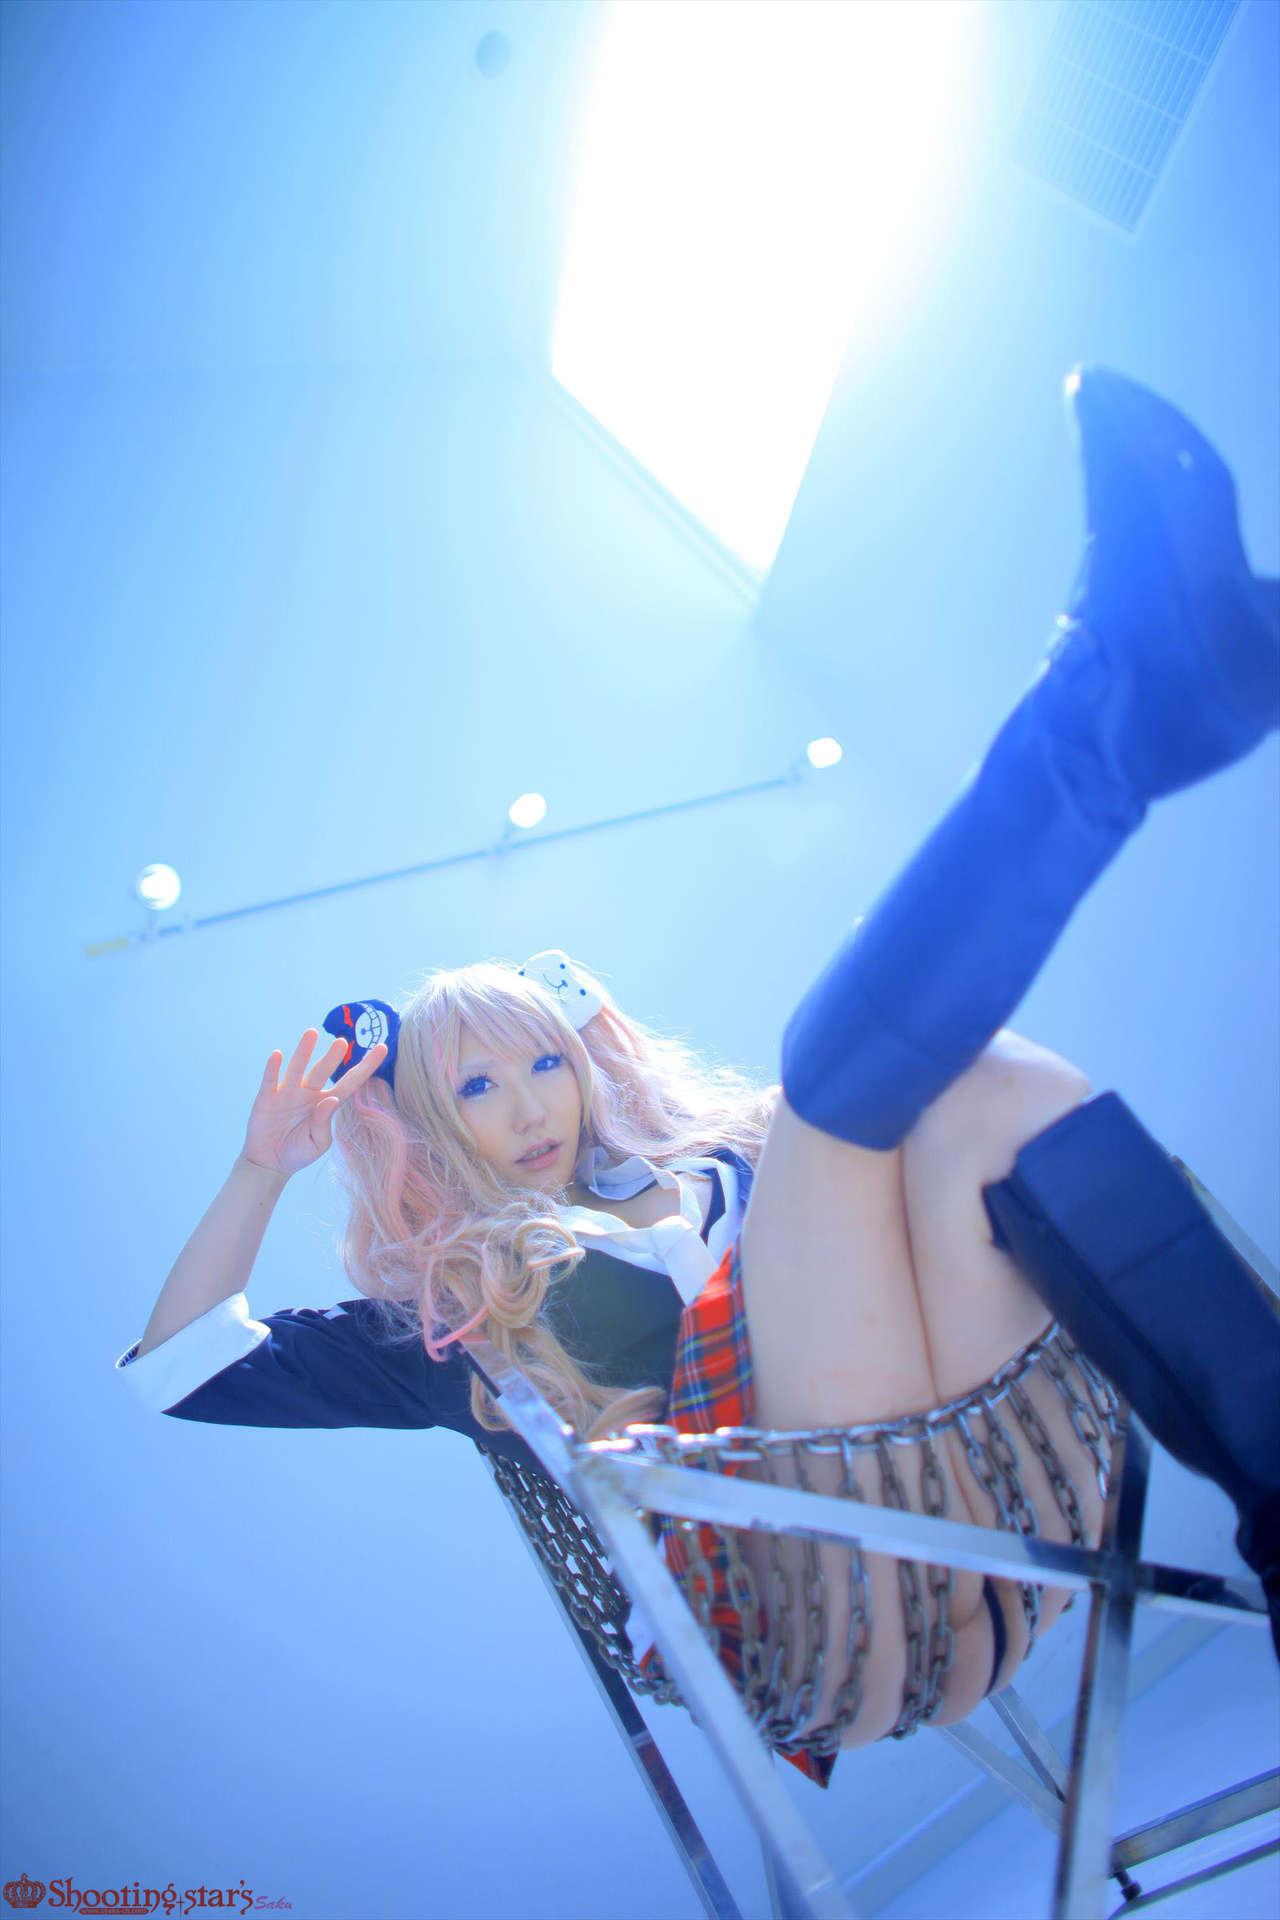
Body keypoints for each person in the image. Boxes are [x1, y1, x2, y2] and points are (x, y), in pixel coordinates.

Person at [117, 368, 1280, 1790]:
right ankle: (1127, 710)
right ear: (427, 1129)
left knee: (962, 1084)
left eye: (544, 1061)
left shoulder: (734, 1169)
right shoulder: (455, 1311)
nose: (528, 1106)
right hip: (815, 1618)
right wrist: (264, 1167)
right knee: (843, 1082)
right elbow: (180, 1376)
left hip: (994, 1506)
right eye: (476, 1089)